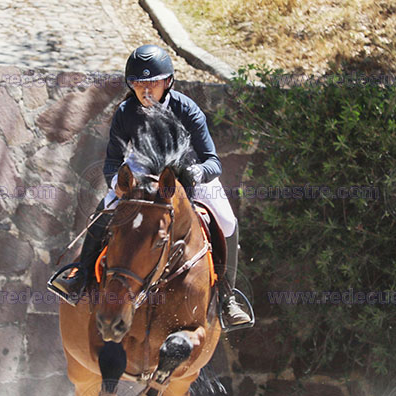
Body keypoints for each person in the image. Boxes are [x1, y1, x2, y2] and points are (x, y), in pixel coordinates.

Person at [50, 44, 252, 330]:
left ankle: (227, 298)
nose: (146, 91)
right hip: (143, 170)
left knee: (228, 221)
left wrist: (196, 172)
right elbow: (113, 161)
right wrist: (116, 185)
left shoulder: (187, 109)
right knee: (105, 207)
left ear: (168, 82)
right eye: (138, 84)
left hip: (188, 172)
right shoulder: (126, 112)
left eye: (153, 83)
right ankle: (81, 275)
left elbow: (213, 162)